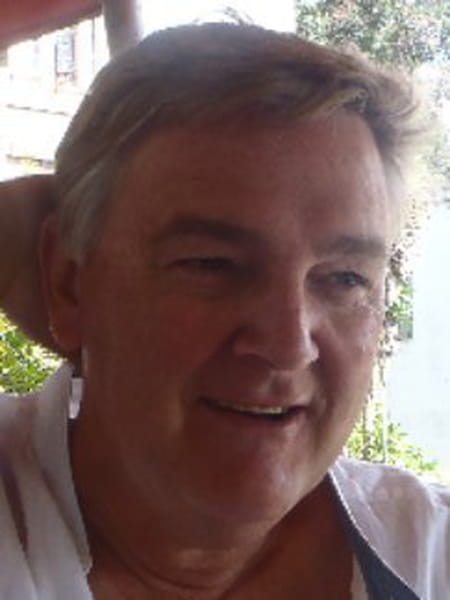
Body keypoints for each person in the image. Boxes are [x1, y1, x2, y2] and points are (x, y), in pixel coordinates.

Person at [0, 22, 448, 600]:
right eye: (212, 264)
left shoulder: (430, 554)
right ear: (67, 282)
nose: (288, 345)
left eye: (344, 278)